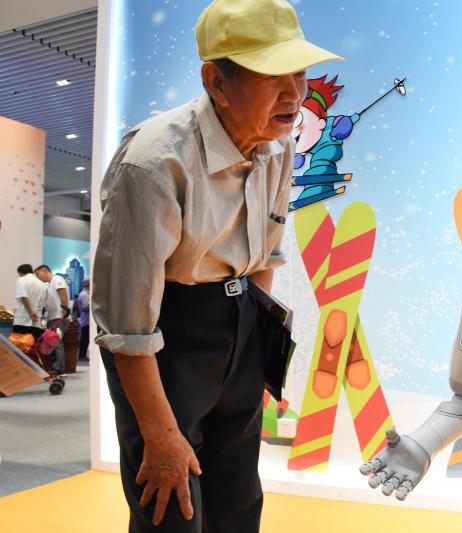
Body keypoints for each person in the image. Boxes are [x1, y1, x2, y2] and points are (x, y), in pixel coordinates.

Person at [91, 1, 341, 531]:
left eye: (298, 73)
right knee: (171, 507)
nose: (294, 93)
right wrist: (158, 436)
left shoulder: (278, 148)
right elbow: (127, 324)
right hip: (166, 343)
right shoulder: (155, 160)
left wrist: (259, 355)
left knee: (238, 505)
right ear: (217, 81)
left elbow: (265, 258)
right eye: (273, 75)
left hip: (243, 328)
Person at [34, 265, 70, 374]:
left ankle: (58, 369)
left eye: (38, 274)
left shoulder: (57, 279)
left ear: (44, 271)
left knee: (57, 343)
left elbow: (63, 293)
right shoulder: (49, 285)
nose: (37, 277)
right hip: (53, 318)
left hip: (58, 317)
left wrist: (64, 311)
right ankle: (56, 366)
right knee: (53, 343)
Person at [12, 264, 46, 340]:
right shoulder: (41, 284)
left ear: (21, 273)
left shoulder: (21, 280)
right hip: (36, 323)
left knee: (19, 348)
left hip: (22, 321)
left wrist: (31, 312)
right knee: (33, 349)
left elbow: (24, 297)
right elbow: (43, 303)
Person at [75, 279, 91, 361]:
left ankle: (82, 355)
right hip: (86, 320)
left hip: (86, 320)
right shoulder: (84, 295)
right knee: (84, 339)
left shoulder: (85, 294)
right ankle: (82, 355)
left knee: (85, 338)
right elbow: (85, 307)